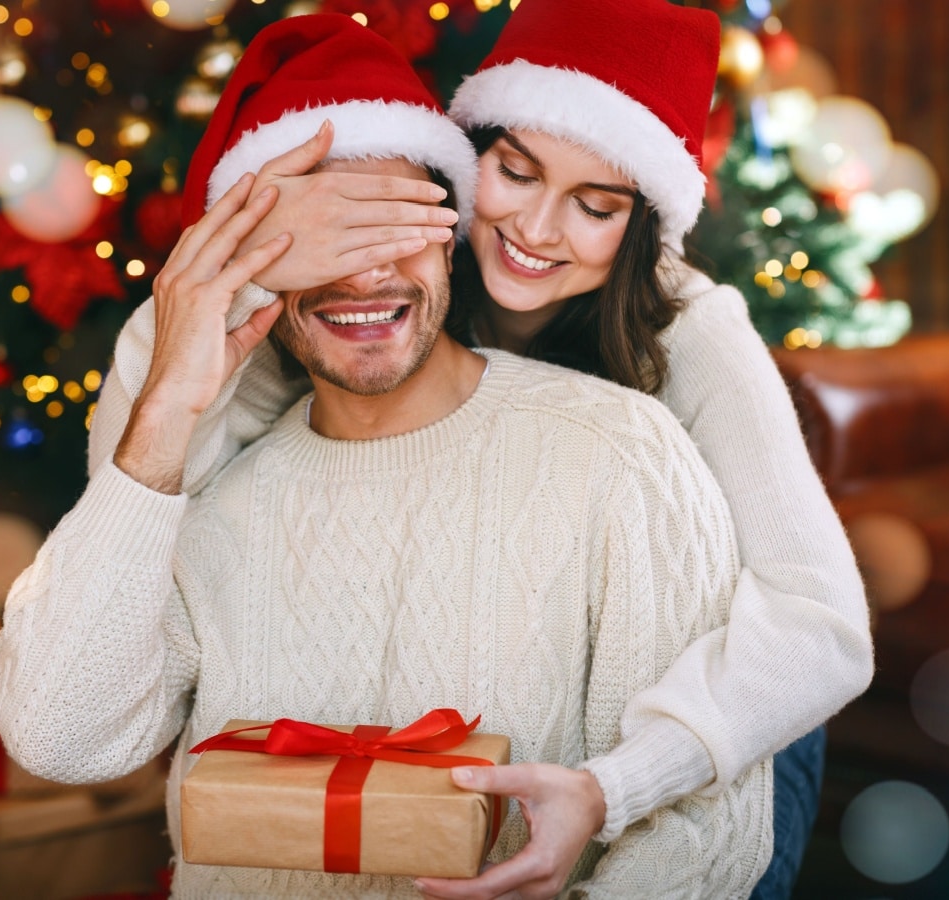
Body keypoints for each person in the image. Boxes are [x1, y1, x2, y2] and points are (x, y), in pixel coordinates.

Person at [89, 1, 874, 897]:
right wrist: (241, 255)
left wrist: (622, 784)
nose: (538, 230)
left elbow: (820, 623)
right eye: (516, 172)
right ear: (470, 158)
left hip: (730, 697)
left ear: (642, 223)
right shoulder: (394, 275)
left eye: (595, 205)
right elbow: (156, 471)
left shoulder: (689, 325)